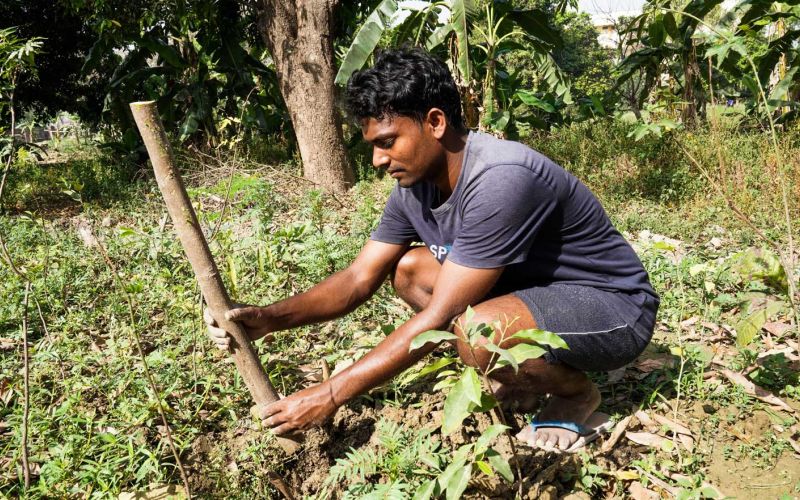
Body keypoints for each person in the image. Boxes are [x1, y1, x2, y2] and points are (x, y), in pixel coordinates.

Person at [205, 48, 658, 452]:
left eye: (387, 142)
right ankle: (518, 370)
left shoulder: (501, 177)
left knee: (477, 330)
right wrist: (269, 318)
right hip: (535, 293)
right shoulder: (415, 187)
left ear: (435, 122)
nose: (379, 160)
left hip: (612, 308)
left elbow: (440, 316)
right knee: (409, 270)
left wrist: (332, 393)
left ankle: (575, 394)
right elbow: (360, 278)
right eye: (373, 147)